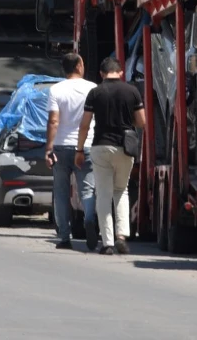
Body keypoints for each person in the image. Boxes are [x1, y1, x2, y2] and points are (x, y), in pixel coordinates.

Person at [76, 56, 144, 255]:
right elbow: (142, 122)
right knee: (121, 191)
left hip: (100, 147)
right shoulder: (132, 91)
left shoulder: (95, 93)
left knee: (103, 194)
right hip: (124, 148)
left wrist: (79, 150)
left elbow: (85, 124)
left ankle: (107, 243)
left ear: (101, 74)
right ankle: (121, 236)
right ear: (121, 72)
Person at [44, 53, 96, 250]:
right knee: (87, 189)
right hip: (86, 145)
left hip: (61, 147)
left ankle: (65, 237)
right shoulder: (92, 88)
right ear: (79, 66)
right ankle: (89, 219)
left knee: (61, 192)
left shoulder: (56, 89)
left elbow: (53, 121)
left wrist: (49, 148)